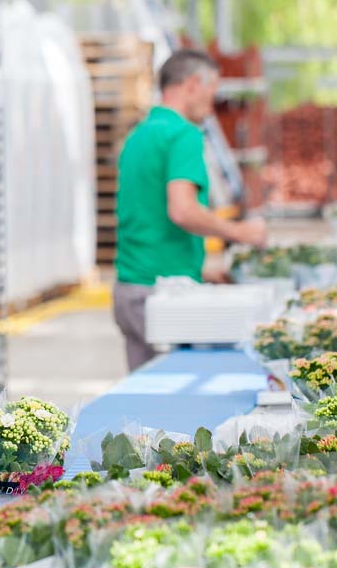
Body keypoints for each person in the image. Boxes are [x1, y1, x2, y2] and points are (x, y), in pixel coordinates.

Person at [114, 49, 268, 371]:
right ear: (193, 84)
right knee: (175, 405)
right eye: (212, 91)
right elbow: (182, 210)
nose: (212, 104)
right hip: (161, 299)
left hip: (131, 289)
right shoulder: (182, 134)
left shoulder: (138, 136)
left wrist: (199, 273)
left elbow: (148, 217)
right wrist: (241, 232)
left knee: (145, 399)